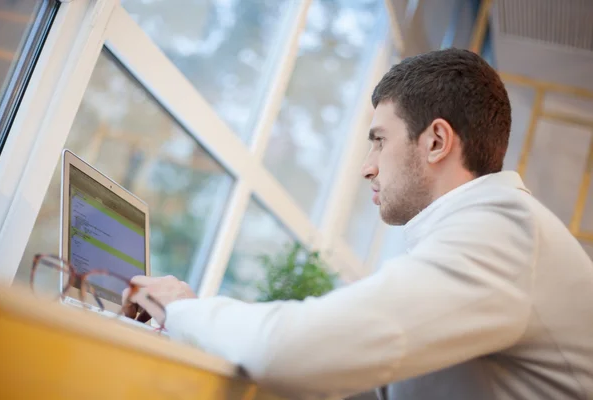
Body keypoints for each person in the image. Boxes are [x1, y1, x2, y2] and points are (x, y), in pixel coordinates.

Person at [123, 48, 593, 400]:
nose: (367, 166)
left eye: (379, 141)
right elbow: (379, 381)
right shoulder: (483, 232)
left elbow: (291, 353)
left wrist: (182, 309)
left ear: (436, 142)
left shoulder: (503, 232)